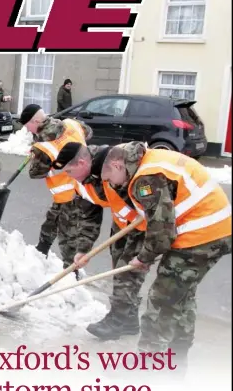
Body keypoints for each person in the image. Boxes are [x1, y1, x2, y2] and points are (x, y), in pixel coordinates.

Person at [97, 143, 231, 369]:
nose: (111, 184)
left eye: (110, 177)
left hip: (200, 235)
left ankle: (150, 367)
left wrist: (144, 258)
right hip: (216, 229)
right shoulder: (152, 158)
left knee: (161, 300)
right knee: (181, 297)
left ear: (118, 165)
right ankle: (176, 359)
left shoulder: (145, 180)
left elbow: (162, 233)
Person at [52, 141, 147, 341]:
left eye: (70, 171)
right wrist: (83, 249)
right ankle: (129, 320)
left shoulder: (110, 164)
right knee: (119, 267)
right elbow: (89, 215)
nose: (68, 176)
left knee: (127, 271)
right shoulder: (81, 181)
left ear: (82, 163)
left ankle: (117, 320)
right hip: (122, 224)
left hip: (143, 225)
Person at [19, 103, 103, 277]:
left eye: (28, 126)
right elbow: (88, 132)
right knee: (51, 222)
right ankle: (40, 254)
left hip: (69, 193)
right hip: (81, 182)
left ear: (35, 121)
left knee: (68, 238)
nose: (28, 131)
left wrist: (37, 156)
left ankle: (71, 274)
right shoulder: (71, 124)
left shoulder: (43, 144)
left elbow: (35, 173)